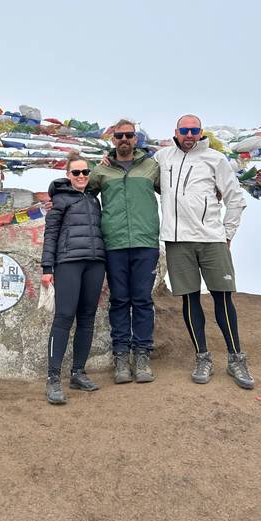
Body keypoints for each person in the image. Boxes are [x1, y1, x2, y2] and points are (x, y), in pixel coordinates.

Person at [155, 114, 255, 389]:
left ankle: (236, 359)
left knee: (223, 299)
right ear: (176, 131)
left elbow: (235, 199)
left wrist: (227, 234)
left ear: (201, 132)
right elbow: (138, 172)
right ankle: (203, 357)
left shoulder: (215, 159)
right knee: (189, 300)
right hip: (177, 242)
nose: (189, 134)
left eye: (194, 130)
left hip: (211, 240)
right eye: (184, 130)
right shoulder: (162, 158)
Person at [89, 119, 160, 384]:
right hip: (115, 243)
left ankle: (142, 356)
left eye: (129, 135)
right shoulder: (101, 170)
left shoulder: (152, 166)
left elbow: (177, 192)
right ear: (112, 139)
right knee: (119, 300)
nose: (124, 139)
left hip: (145, 242)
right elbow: (82, 192)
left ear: (136, 138)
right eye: (119, 135)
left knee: (142, 300)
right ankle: (121, 356)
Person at [41, 152, 106, 405]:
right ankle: (53, 378)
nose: (81, 176)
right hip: (68, 262)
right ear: (68, 175)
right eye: (76, 172)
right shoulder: (60, 200)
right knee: (64, 317)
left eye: (85, 172)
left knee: (87, 318)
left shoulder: (93, 199)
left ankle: (78, 372)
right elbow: (51, 234)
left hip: (95, 263)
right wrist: (47, 268)